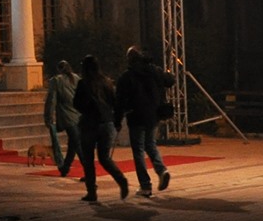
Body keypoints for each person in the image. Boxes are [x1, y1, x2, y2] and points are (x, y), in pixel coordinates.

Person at [115, 45, 175, 196]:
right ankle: (162, 170)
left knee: (138, 151)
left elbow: (119, 101)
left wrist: (117, 120)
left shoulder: (126, 77)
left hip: (136, 116)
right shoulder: (154, 71)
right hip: (153, 115)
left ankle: (145, 185)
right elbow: (170, 80)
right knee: (150, 144)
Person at [72, 55, 129, 202]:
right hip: (106, 123)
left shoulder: (83, 83)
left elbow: (76, 103)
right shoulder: (106, 82)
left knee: (88, 160)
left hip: (89, 124)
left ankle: (92, 192)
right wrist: (117, 121)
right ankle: (121, 179)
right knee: (104, 158)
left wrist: (86, 109)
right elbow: (115, 103)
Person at [43, 58, 81, 179]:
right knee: (73, 143)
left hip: (67, 116)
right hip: (78, 115)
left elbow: (51, 100)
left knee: (76, 143)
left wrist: (48, 117)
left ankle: (88, 169)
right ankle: (65, 167)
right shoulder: (76, 78)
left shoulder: (56, 81)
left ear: (59, 70)